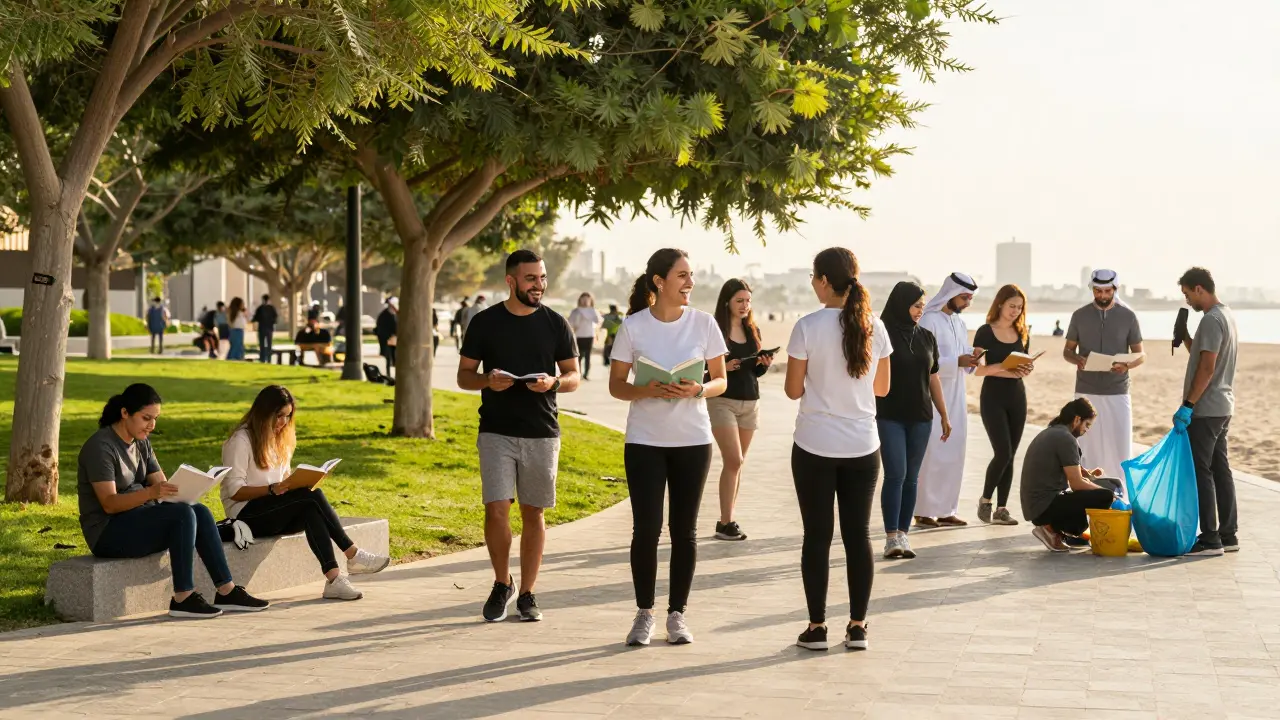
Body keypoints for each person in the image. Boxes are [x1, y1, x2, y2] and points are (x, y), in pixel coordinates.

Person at [608, 248, 728, 647]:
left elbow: (721, 381)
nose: (689, 282)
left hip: (693, 440)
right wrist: (647, 390)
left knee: (685, 531)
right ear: (659, 282)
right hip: (644, 441)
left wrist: (699, 389)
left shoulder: (704, 323)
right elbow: (616, 385)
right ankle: (644, 614)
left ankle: (677, 615)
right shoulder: (633, 327)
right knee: (646, 530)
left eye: (691, 275)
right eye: (682, 275)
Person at [458, 250, 581, 623]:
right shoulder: (484, 322)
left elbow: (574, 376)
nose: (539, 285)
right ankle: (502, 583)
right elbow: (464, 376)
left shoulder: (557, 324)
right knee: (496, 509)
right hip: (495, 430)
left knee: (534, 512)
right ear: (511, 281)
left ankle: (527, 592)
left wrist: (554, 382)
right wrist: (487, 381)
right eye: (531, 279)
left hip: (542, 433)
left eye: (542, 278)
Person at [78, 383, 269, 618]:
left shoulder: (141, 443)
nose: (151, 425)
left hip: (137, 520)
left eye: (155, 418)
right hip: (107, 532)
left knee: (197, 510)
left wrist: (193, 487)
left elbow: (164, 486)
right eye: (146, 418)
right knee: (182, 515)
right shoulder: (101, 447)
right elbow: (109, 503)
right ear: (125, 413)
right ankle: (183, 596)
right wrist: (150, 493)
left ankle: (226, 590)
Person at [784, 248, 891, 652]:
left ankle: (816, 628)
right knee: (857, 535)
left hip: (814, 444)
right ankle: (858, 626)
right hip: (863, 445)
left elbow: (794, 390)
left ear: (825, 280)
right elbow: (881, 389)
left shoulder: (807, 326)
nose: (813, 284)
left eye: (814, 277)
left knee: (817, 536)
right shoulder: (874, 326)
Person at [220, 385, 390, 600]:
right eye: (278, 416)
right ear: (263, 413)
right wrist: (273, 489)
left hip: (273, 511)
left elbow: (284, 481)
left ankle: (334, 579)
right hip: (245, 516)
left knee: (311, 507)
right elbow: (234, 491)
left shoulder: (280, 440)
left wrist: (299, 482)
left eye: (288, 416)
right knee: (313, 499)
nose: (283, 422)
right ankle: (352, 553)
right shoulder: (241, 440)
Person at [876, 282, 950, 560]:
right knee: (895, 474)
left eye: (923, 305)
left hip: (921, 418)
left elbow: (933, 377)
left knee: (911, 478)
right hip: (889, 415)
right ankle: (891, 537)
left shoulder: (927, 337)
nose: (921, 310)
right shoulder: (881, 334)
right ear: (901, 303)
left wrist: (944, 413)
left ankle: (904, 535)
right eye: (916, 305)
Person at [1174, 267, 1238, 556]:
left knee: (1202, 472)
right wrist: (1186, 337)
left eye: (1188, 294)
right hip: (1223, 407)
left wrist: (1188, 405)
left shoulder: (1211, 320)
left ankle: (1210, 538)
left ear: (1199, 289)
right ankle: (1228, 535)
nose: (1187, 301)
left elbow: (1208, 368)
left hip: (1207, 409)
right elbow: (1204, 357)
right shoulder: (1226, 316)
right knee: (1221, 470)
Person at [1062, 269, 1145, 483]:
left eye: (1107, 291)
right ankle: (1086, 495)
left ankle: (1120, 496)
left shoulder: (1128, 316)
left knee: (1119, 448)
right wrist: (1077, 359)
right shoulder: (1079, 316)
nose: (1102, 295)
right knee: (1085, 448)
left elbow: (1140, 354)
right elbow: (1067, 351)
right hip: (1085, 391)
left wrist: (1126, 365)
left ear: (1115, 289)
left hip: (1118, 392)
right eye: (1097, 291)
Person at [707, 278, 772, 542]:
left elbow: (754, 372)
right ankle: (726, 522)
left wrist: (763, 364)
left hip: (750, 402)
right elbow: (705, 368)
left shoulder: (752, 329)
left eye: (748, 301)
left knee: (737, 464)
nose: (745, 306)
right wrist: (726, 367)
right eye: (739, 301)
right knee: (734, 460)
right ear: (727, 302)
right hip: (722, 400)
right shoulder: (715, 330)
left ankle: (728, 518)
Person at [914, 273, 981, 528]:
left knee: (954, 451)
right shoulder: (928, 321)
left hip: (957, 395)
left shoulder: (959, 324)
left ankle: (945, 509)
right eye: (964, 297)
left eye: (970, 299)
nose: (967, 303)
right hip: (933, 395)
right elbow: (923, 361)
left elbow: (962, 358)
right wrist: (957, 362)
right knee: (933, 452)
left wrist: (972, 358)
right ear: (951, 294)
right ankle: (923, 510)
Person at [1021, 398, 1118, 552]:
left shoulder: (1054, 432)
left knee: (1109, 486)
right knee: (1105, 496)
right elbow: (1076, 483)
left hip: (1037, 507)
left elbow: (1071, 469)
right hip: (1043, 508)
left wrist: (1089, 475)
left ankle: (1062, 531)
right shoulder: (1066, 438)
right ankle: (1050, 528)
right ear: (1077, 419)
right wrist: (1110, 495)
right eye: (1087, 425)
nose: (1086, 430)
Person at [973, 285, 1034, 526]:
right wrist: (1002, 367)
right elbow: (976, 369)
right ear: (1000, 304)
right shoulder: (985, 332)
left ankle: (1002, 509)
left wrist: (1025, 368)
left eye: (1019, 308)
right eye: (1012, 306)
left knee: (1011, 456)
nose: (1015, 312)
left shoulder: (1022, 332)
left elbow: (1024, 367)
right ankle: (986, 499)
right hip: (993, 397)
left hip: (1017, 396)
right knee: (1003, 452)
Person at [568, 292, 602, 380]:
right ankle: (578, 373)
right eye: (583, 299)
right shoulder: (576, 311)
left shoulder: (593, 310)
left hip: (589, 335)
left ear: (590, 301)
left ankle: (586, 374)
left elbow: (598, 320)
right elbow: (570, 323)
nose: (585, 301)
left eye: (587, 299)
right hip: (578, 336)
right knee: (578, 355)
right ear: (580, 300)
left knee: (588, 355)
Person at [251, 295, 278, 364]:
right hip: (269, 328)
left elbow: (255, 317)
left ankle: (262, 358)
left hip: (262, 328)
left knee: (262, 345)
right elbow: (275, 318)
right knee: (269, 344)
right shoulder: (271, 308)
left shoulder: (260, 308)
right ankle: (268, 358)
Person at [375, 297, 398, 376]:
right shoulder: (383, 315)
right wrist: (388, 337)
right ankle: (387, 374)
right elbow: (380, 328)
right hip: (386, 339)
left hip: (396, 339)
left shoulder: (397, 315)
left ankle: (397, 374)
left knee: (396, 357)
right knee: (387, 357)